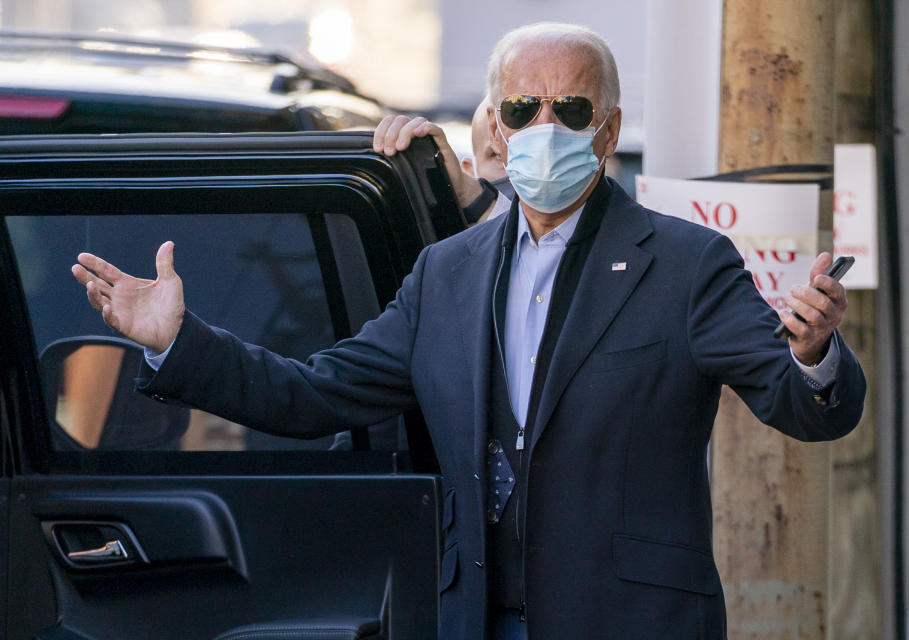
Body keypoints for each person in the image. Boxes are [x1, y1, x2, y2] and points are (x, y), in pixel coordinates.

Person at [72, 22, 866, 640]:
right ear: (494, 121)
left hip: (632, 621)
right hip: (479, 618)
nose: (545, 125)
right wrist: (177, 340)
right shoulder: (445, 271)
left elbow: (800, 405)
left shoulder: (686, 262)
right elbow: (315, 394)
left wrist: (814, 353)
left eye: (572, 108)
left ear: (610, 128)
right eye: (524, 108)